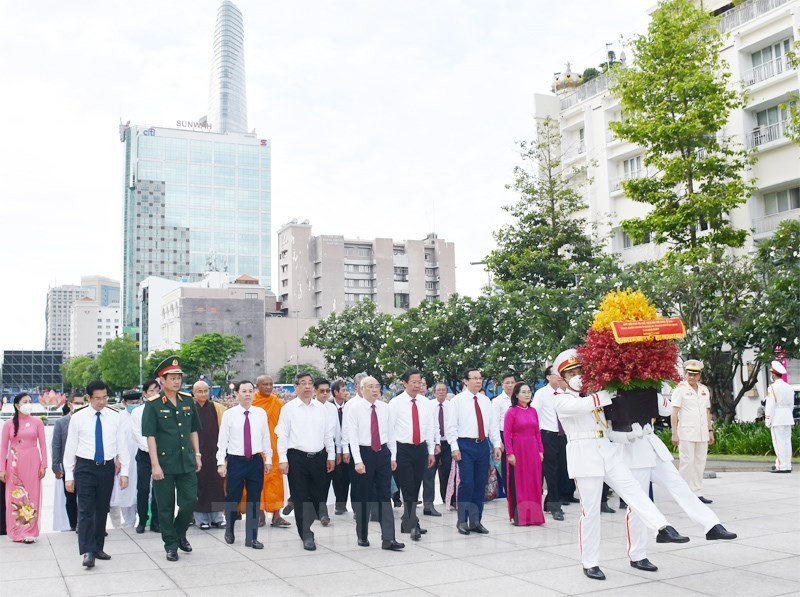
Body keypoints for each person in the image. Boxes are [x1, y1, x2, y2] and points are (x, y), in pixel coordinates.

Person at [552, 349, 689, 581]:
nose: (577, 376)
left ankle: (662, 528)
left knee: (634, 491)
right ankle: (590, 562)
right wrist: (612, 388)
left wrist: (630, 434)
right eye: (572, 373)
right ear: (563, 378)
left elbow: (610, 430)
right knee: (591, 511)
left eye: (580, 371)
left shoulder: (595, 396)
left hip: (607, 450)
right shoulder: (561, 399)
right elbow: (583, 406)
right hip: (584, 456)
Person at [608, 394, 736, 573]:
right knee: (638, 506)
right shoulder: (611, 394)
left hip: (653, 448)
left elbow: (666, 409)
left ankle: (711, 525)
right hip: (633, 453)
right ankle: (637, 555)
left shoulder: (647, 391)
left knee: (681, 487)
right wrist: (628, 436)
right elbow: (608, 433)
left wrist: (650, 392)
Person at [63, 380, 129, 567]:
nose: (101, 402)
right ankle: (88, 551)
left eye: (104, 397)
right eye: (97, 398)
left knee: (102, 509)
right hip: (85, 467)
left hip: (107, 467)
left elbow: (122, 446)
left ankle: (98, 547)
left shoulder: (115, 417)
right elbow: (70, 447)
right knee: (85, 510)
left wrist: (124, 472)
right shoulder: (78, 417)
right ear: (89, 398)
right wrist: (69, 474)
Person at [141, 356, 201, 562]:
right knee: (165, 506)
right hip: (164, 464)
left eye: (179, 377)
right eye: (172, 378)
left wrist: (198, 454)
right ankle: (171, 544)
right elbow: (150, 437)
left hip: (186, 461)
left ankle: (179, 532)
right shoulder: (153, 405)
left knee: (190, 501)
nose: (177, 381)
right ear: (162, 380)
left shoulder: (187, 400)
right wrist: (155, 465)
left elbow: (193, 430)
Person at [275, 371, 336, 551]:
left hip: (319, 457)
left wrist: (331, 456)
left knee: (318, 496)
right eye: (303, 383)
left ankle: (308, 522)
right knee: (301, 498)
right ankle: (306, 534)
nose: (308, 386)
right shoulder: (289, 408)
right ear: (296, 387)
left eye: (310, 383)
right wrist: (283, 459)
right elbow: (282, 435)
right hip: (297, 458)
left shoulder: (322, 408)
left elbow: (328, 434)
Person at [347, 376, 404, 550]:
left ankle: (389, 538)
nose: (374, 389)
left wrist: (393, 456)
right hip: (364, 454)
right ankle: (362, 534)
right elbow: (353, 438)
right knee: (364, 497)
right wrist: (357, 461)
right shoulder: (354, 409)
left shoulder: (385, 408)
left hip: (383, 454)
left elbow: (391, 433)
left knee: (385, 496)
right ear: (361, 389)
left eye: (377, 386)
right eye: (370, 386)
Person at [445, 368, 503, 536]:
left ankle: (476, 520)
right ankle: (462, 520)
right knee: (467, 483)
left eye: (480, 378)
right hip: (465, 445)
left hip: (483, 445)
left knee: (480, 483)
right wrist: (454, 447)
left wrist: (497, 445)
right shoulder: (457, 401)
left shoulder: (485, 401)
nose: (478, 381)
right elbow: (451, 427)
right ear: (466, 381)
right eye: (474, 378)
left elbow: (492, 426)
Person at [218, 380, 271, 549]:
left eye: (250, 391)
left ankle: (252, 537)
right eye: (244, 391)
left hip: (255, 461)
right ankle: (230, 529)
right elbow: (222, 441)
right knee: (233, 497)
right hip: (236, 462)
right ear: (237, 394)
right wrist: (221, 462)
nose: (248, 394)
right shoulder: (229, 414)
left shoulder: (260, 413)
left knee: (254, 500)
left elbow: (266, 437)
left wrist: (268, 459)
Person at [389, 369, 435, 541]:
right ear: (405, 383)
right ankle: (413, 524)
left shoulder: (426, 403)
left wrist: (430, 451)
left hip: (420, 449)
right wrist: (392, 456)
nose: (417, 385)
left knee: (416, 487)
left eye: (419, 382)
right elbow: (390, 430)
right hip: (403, 450)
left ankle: (406, 522)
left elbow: (429, 428)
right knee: (407, 487)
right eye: (414, 382)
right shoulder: (395, 403)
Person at [0, 393, 47, 543]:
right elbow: (3, 447)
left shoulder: (37, 422)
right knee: (15, 497)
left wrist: (44, 464)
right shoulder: (8, 424)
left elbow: (43, 444)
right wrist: (2, 468)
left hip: (33, 463)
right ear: (16, 405)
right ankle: (16, 531)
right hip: (14, 465)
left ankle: (30, 531)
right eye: (24, 401)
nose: (28, 404)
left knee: (32, 496)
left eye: (29, 401)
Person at [671, 359, 715, 503]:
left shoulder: (703, 390)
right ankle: (682, 493)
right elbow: (674, 413)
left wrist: (710, 430)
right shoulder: (680, 390)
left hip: (702, 432)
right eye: (689, 374)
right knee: (687, 462)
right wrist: (674, 433)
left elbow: (707, 412)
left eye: (695, 375)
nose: (692, 377)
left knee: (699, 462)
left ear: (699, 375)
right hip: (686, 432)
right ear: (685, 374)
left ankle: (696, 492)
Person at [504, 382, 545, 526]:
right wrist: (510, 453)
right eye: (524, 392)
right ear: (516, 395)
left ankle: (534, 516)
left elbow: (537, 432)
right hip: (518, 450)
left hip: (533, 449)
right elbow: (507, 434)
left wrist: (541, 450)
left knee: (534, 482)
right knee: (520, 483)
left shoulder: (533, 411)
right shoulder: (511, 412)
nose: (527, 394)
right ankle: (520, 517)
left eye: (529, 391)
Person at [252, 375, 291, 527]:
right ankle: (260, 514)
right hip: (258, 448)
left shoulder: (276, 402)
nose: (268, 387)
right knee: (258, 481)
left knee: (276, 481)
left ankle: (276, 516)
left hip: (274, 448)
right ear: (257, 386)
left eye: (270, 384)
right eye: (264, 384)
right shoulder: (253, 402)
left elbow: (283, 426)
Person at [531, 366, 567, 521]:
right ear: (548, 377)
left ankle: (549, 502)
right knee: (551, 471)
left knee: (562, 470)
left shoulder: (564, 393)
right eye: (556, 374)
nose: (559, 377)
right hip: (547, 435)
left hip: (563, 435)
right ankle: (555, 506)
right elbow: (534, 414)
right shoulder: (541, 394)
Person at [192, 380, 226, 530]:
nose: (203, 394)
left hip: (214, 452)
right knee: (199, 485)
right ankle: (201, 519)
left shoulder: (216, 408)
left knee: (217, 484)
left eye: (205, 391)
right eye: (199, 391)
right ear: (194, 393)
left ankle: (218, 518)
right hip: (197, 453)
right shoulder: (190, 409)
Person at [52, 392, 85, 531]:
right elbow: (56, 445)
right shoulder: (61, 422)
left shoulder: (87, 420)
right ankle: (74, 523)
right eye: (77, 403)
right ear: (69, 404)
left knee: (86, 496)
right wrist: (56, 466)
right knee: (70, 497)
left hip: (85, 464)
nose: (80, 406)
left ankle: (87, 524)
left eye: (82, 403)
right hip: (68, 466)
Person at [109, 390, 141, 529]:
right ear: (124, 403)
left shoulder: (143, 415)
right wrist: (117, 458)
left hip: (141, 459)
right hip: (124, 461)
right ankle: (128, 522)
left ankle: (144, 520)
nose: (134, 405)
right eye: (131, 403)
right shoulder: (118, 418)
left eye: (137, 402)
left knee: (142, 491)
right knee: (126, 493)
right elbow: (114, 441)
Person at [132, 378, 160, 533]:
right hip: (144, 455)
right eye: (151, 391)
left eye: (157, 390)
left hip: (161, 455)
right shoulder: (137, 412)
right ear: (145, 394)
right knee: (142, 489)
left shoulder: (163, 410)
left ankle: (156, 521)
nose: (155, 394)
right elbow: (139, 436)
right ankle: (142, 520)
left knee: (159, 490)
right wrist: (151, 450)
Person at [423, 382, 452, 517]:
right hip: (433, 443)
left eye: (443, 390)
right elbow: (430, 426)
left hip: (448, 443)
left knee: (447, 472)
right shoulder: (429, 406)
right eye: (438, 390)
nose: (441, 392)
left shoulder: (452, 406)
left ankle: (449, 500)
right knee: (429, 473)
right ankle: (428, 504)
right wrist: (435, 443)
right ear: (434, 392)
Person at [314, 377, 338, 526]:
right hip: (313, 449)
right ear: (315, 391)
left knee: (325, 482)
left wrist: (338, 451)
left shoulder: (332, 408)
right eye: (322, 391)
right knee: (316, 482)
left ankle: (321, 511)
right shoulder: (311, 407)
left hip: (328, 448)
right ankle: (322, 512)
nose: (325, 394)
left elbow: (336, 431)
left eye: (327, 391)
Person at [765, 360, 794, 473]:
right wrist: (788, 415)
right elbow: (791, 404)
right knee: (787, 442)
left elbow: (770, 405)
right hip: (787, 417)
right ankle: (787, 465)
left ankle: (781, 466)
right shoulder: (788, 387)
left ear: (773, 375)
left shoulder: (772, 388)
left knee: (779, 443)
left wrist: (768, 419)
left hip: (777, 417)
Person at [492, 373, 516, 499]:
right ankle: (510, 494)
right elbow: (494, 423)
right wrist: (497, 441)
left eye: (512, 382)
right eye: (507, 382)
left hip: (518, 436)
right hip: (504, 436)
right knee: (507, 467)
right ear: (502, 385)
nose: (510, 385)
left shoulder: (519, 398)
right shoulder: (497, 401)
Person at [330, 380, 351, 515]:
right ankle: (338, 503)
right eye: (342, 390)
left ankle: (343, 503)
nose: (345, 392)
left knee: (347, 476)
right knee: (337, 476)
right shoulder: (329, 407)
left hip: (348, 446)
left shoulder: (349, 407)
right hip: (333, 446)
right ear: (336, 392)